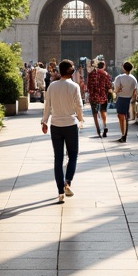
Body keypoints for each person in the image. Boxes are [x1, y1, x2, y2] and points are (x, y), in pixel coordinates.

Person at [41, 58, 85, 202]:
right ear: (71, 71)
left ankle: (60, 191)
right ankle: (68, 182)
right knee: (73, 155)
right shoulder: (74, 86)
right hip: (70, 125)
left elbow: (47, 106)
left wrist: (44, 121)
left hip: (56, 126)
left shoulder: (52, 86)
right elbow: (79, 105)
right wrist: (81, 119)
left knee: (58, 159)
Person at [113, 60, 138, 142]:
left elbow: (116, 90)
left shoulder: (119, 77)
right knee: (126, 117)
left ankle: (123, 134)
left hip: (121, 98)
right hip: (130, 99)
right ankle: (124, 135)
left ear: (124, 68)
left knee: (121, 117)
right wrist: (134, 99)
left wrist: (118, 91)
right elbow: (136, 91)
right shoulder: (134, 79)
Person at [86, 58, 112, 138]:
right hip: (103, 96)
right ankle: (104, 125)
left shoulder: (90, 74)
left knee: (95, 113)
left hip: (94, 97)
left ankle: (98, 130)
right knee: (103, 111)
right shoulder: (105, 74)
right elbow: (109, 86)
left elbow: (89, 86)